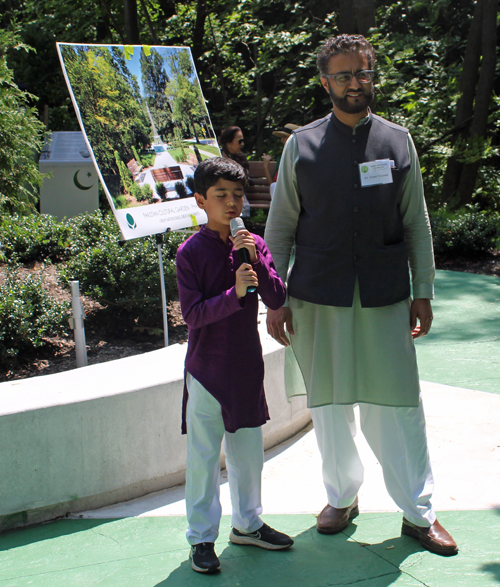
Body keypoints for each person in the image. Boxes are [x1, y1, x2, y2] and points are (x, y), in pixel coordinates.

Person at [264, 34, 458, 557]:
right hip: (316, 296)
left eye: (363, 73)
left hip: (384, 294)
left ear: (373, 75)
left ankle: (419, 514)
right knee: (328, 405)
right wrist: (274, 296)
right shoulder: (300, 146)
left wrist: (424, 290)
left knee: (398, 403)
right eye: (344, 75)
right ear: (325, 82)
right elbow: (279, 227)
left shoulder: (398, 141)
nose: (356, 83)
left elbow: (416, 221)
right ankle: (341, 498)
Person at [176, 157, 294, 574]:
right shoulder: (190, 252)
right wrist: (234, 292)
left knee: (248, 455)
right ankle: (202, 538)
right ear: (200, 200)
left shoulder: (254, 243)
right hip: (207, 369)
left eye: (238, 195)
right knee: (204, 458)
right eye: (221, 195)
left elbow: (278, 299)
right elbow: (193, 316)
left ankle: (248, 524)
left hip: (245, 367)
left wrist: (255, 262)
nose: (231, 203)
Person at [219, 126, 251, 216]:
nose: (242, 144)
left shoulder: (241, 159)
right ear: (228, 143)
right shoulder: (218, 160)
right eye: (239, 141)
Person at [263, 123, 301, 198]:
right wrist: (266, 167)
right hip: (281, 198)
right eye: (282, 137)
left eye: (285, 137)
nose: (282, 140)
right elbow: (273, 185)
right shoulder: (280, 158)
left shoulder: (301, 157)